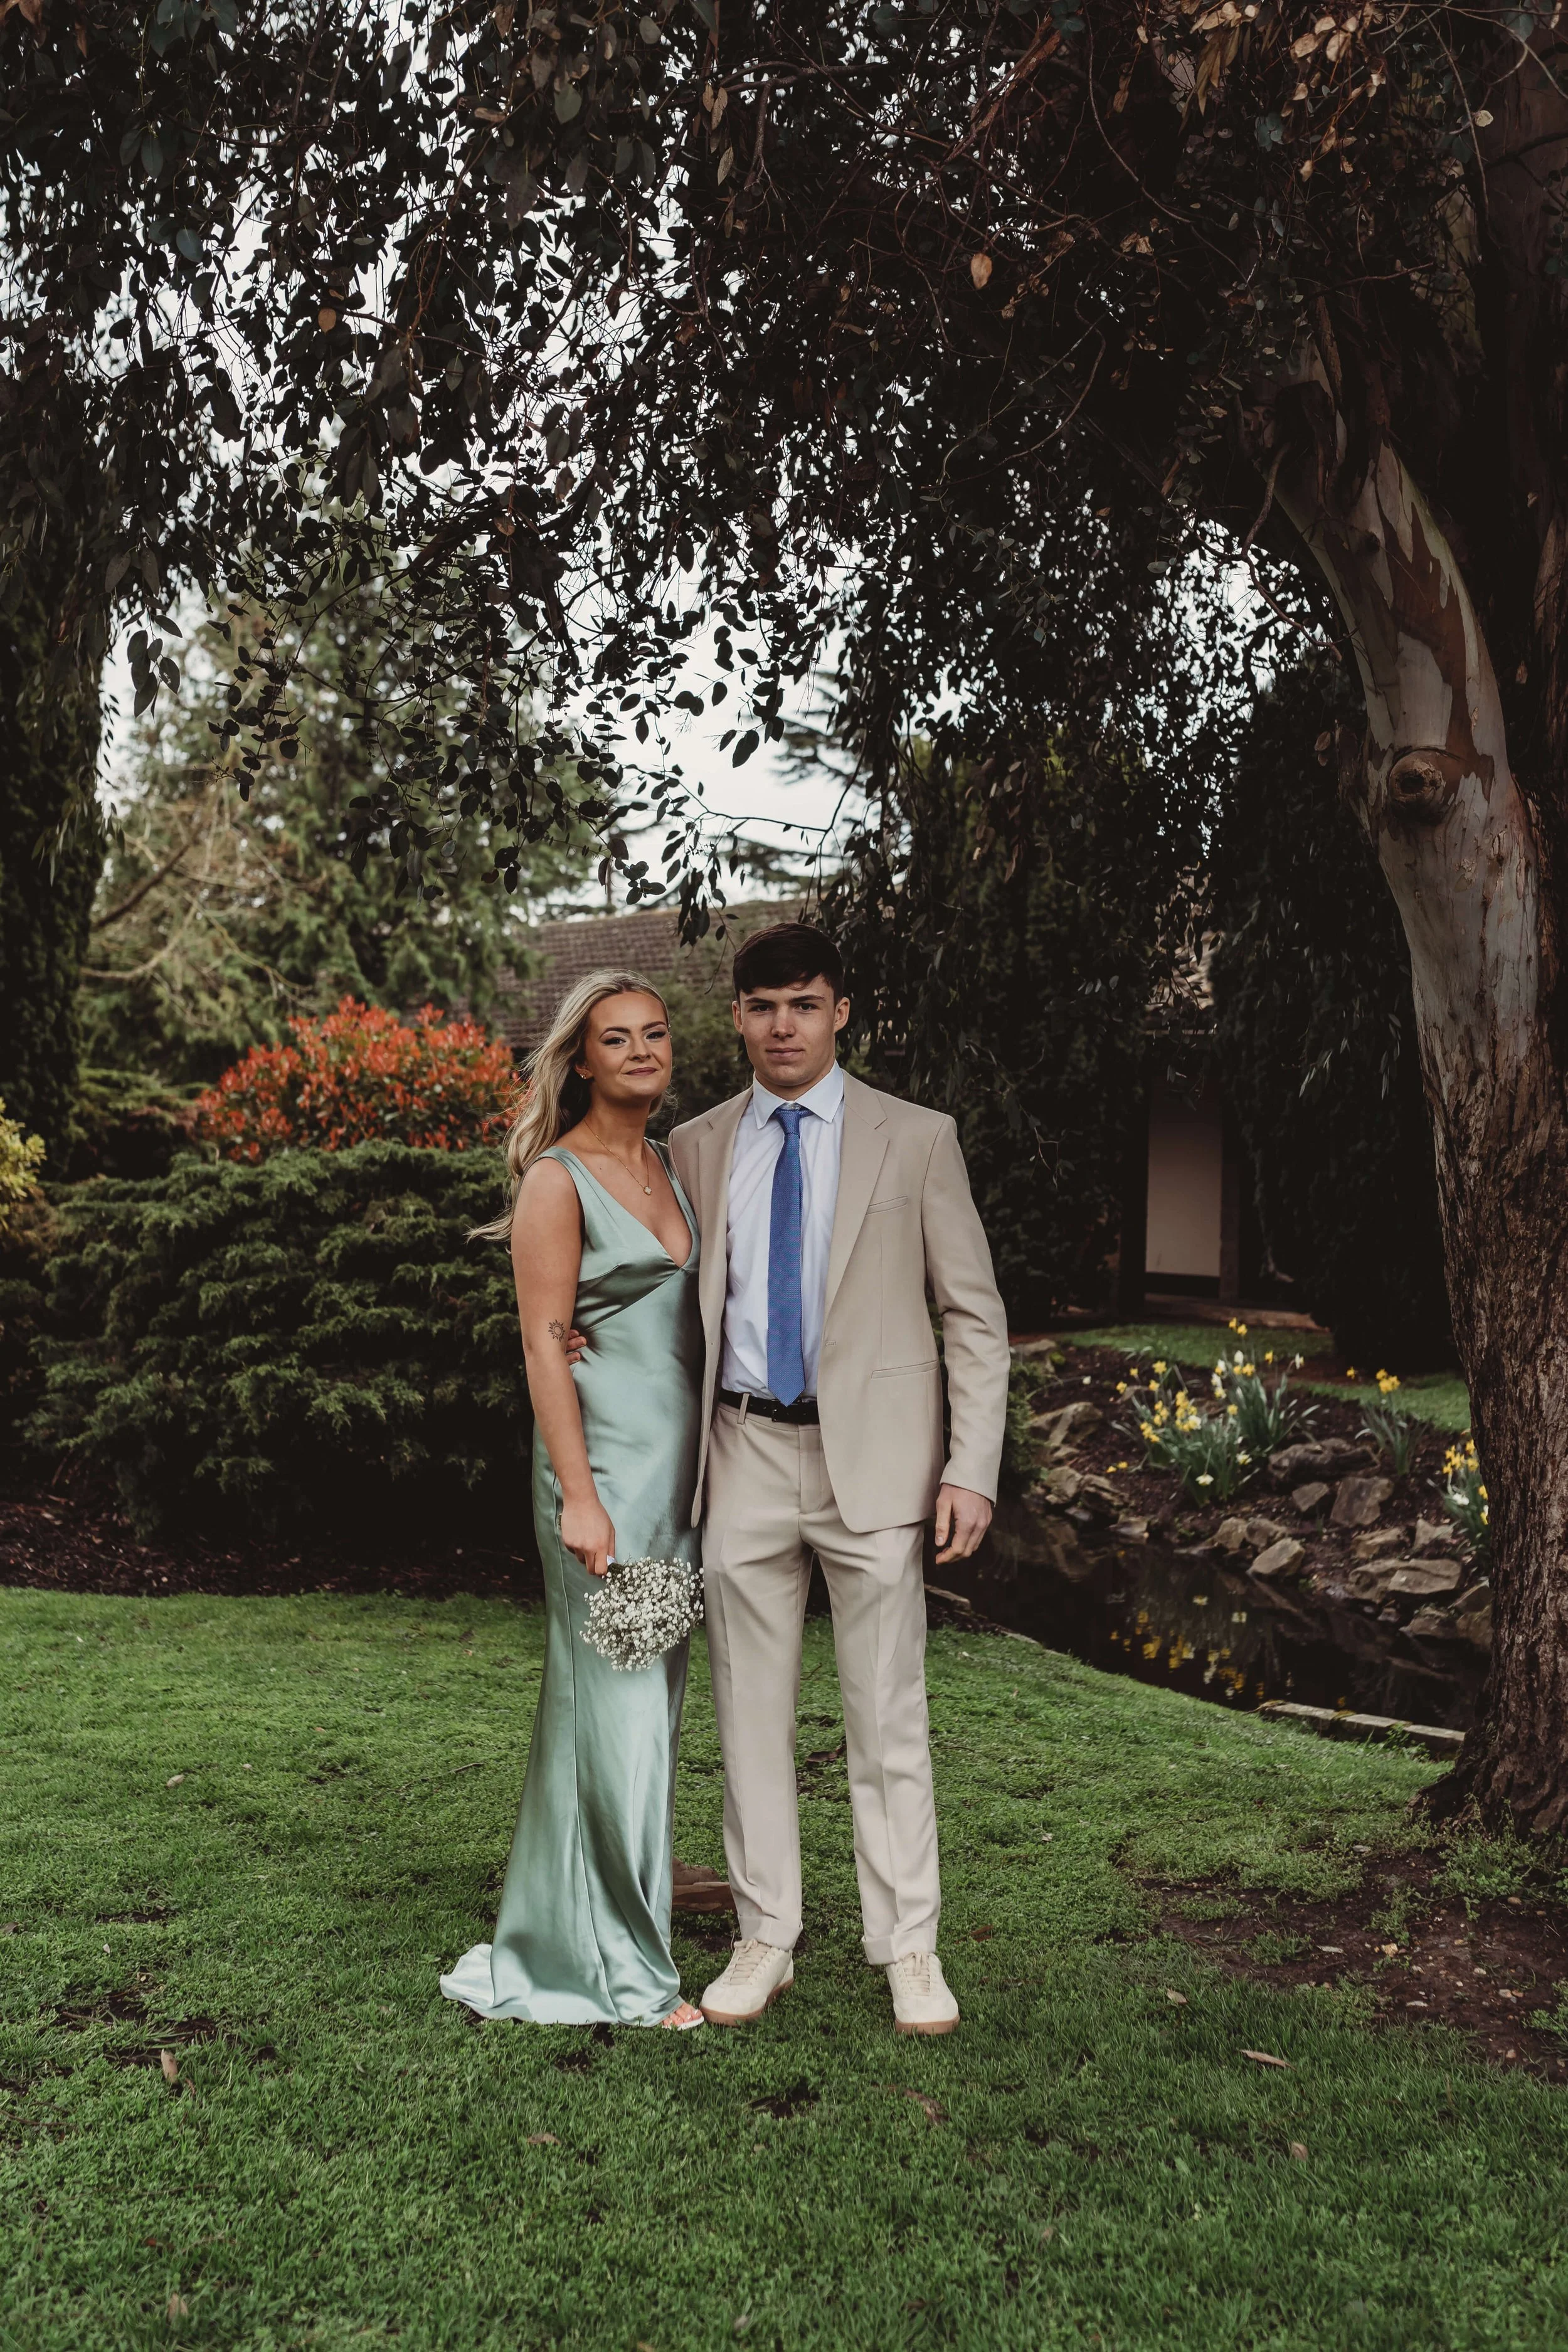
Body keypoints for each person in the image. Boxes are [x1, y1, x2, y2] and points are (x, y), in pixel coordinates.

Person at [669, 921, 1010, 2036]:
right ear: (738, 1016)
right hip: (743, 1454)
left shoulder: (917, 1140)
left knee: (888, 1714)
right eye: (763, 1006)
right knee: (747, 1712)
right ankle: (766, 1933)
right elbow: (662, 1300)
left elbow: (973, 1315)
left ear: (841, 1012)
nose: (783, 1025)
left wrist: (971, 1468)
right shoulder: (699, 1145)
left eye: (804, 1004)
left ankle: (909, 1945)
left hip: (878, 1462)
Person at [438, 970, 706, 2030]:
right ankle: (633, 1974)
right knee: (621, 1716)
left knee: (632, 1716)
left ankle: (569, 1926)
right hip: (602, 1487)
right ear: (580, 1060)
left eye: (654, 1033)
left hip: (675, 1490)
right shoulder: (558, 1181)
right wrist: (581, 1499)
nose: (641, 1051)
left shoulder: (670, 1166)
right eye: (616, 1038)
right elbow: (547, 1347)